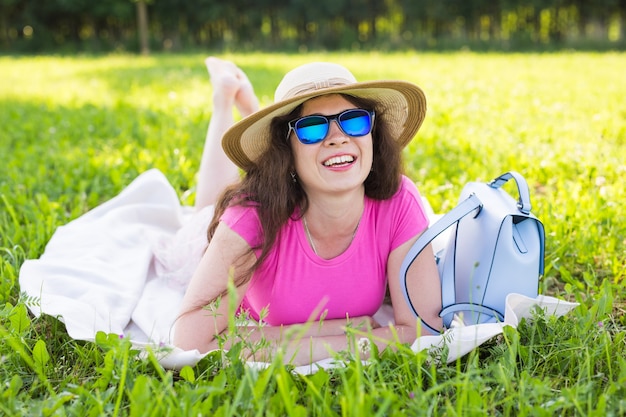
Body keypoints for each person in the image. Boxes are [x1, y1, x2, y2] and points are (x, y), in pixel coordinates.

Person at [172, 57, 442, 365]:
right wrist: (344, 331)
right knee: (204, 212)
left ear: (373, 133)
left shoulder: (398, 200)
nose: (339, 137)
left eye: (354, 120)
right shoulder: (251, 216)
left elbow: (425, 331)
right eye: (311, 128)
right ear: (285, 152)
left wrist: (304, 342)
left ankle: (255, 108)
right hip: (210, 243)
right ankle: (223, 100)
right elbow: (190, 342)